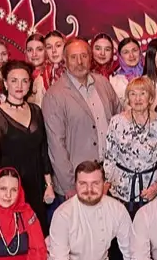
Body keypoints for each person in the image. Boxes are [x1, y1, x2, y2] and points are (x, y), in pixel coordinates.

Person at [45, 40, 121, 202]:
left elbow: (120, 123)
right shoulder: (55, 95)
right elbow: (56, 146)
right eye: (73, 57)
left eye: (84, 56)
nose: (79, 62)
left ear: (90, 57)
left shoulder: (103, 83)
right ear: (65, 60)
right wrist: (70, 186)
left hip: (108, 179)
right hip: (78, 183)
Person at [0, 61, 54, 217]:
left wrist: (49, 184)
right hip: (11, 190)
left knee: (38, 227)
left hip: (37, 185)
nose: (19, 85)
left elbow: (43, 150)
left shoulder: (36, 110)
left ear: (30, 84)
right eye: (14, 80)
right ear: (5, 83)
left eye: (24, 81)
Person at [104, 77, 157, 210]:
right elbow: (109, 158)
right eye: (133, 94)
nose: (137, 98)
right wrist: (108, 184)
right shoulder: (116, 122)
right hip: (121, 192)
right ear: (128, 99)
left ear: (150, 98)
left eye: (142, 93)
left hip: (152, 192)